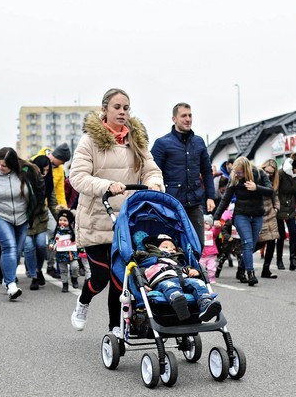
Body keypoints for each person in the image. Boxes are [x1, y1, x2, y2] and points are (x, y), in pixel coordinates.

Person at [69, 88, 163, 333]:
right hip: (97, 218)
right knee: (100, 277)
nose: (122, 112)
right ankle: (83, 301)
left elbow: (151, 169)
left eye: (126, 108)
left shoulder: (137, 140)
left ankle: (115, 328)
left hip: (127, 220)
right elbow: (77, 177)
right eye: (117, 107)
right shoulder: (89, 140)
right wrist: (107, 186)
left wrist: (154, 182)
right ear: (105, 110)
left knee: (120, 280)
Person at [0, 147, 44, 300]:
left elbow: (40, 190)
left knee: (17, 252)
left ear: (12, 164)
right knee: (9, 247)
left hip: (22, 217)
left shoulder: (27, 171)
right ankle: (11, 285)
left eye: (4, 165)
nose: (0, 168)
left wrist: (34, 211)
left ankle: (7, 278)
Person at [151, 102, 216, 244]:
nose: (188, 119)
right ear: (174, 119)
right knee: (172, 245)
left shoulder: (198, 142)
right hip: (170, 205)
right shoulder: (162, 143)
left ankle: (194, 266)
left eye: (190, 115)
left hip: (194, 204)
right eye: (183, 116)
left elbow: (206, 171)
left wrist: (211, 196)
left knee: (198, 244)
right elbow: (151, 172)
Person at [212, 156, 273, 286]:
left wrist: (257, 187)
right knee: (247, 243)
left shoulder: (259, 174)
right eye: (236, 172)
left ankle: (240, 269)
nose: (237, 174)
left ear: (247, 170)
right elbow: (225, 199)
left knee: (251, 245)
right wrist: (216, 217)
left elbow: (270, 191)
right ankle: (250, 273)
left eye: (240, 172)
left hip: (257, 214)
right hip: (241, 215)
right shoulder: (234, 178)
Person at [134, 234, 222, 322]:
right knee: (169, 286)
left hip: (184, 278)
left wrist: (195, 272)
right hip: (162, 281)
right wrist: (143, 284)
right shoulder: (147, 262)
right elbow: (139, 275)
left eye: (173, 247)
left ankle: (205, 304)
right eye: (166, 246)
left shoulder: (179, 261)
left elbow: (188, 268)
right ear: (154, 248)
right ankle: (179, 303)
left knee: (198, 283)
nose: (171, 249)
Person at [25, 153, 58, 290]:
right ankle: (33, 276)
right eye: (42, 170)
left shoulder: (49, 181)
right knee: (28, 246)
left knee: (40, 245)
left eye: (47, 170)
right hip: (25, 218)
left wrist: (63, 218)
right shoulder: (25, 179)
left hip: (41, 217)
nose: (44, 173)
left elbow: (53, 203)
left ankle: (39, 270)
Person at [275, 154, 296, 271]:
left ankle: (293, 260)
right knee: (281, 235)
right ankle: (279, 260)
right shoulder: (281, 173)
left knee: (293, 233)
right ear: (293, 167)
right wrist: (276, 205)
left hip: (291, 208)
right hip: (279, 206)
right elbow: (276, 190)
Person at [257, 160, 281, 279]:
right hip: (259, 213)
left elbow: (275, 196)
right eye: (266, 171)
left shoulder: (273, 182)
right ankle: (243, 265)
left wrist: (276, 208)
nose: (268, 174)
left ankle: (266, 269)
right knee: (258, 242)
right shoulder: (256, 177)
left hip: (270, 214)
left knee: (272, 241)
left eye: (271, 173)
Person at [48, 207, 79, 293]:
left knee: (75, 266)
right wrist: (51, 244)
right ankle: (65, 284)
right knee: (63, 270)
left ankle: (74, 278)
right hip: (61, 255)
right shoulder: (57, 231)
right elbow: (53, 239)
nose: (62, 222)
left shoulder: (73, 230)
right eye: (60, 220)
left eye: (65, 220)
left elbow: (78, 238)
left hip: (72, 253)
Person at [199, 215, 220, 283]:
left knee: (211, 268)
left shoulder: (212, 232)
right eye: (203, 223)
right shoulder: (199, 232)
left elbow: (216, 232)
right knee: (201, 267)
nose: (204, 225)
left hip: (211, 254)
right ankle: (202, 278)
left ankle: (211, 278)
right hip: (202, 254)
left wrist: (217, 227)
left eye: (207, 223)